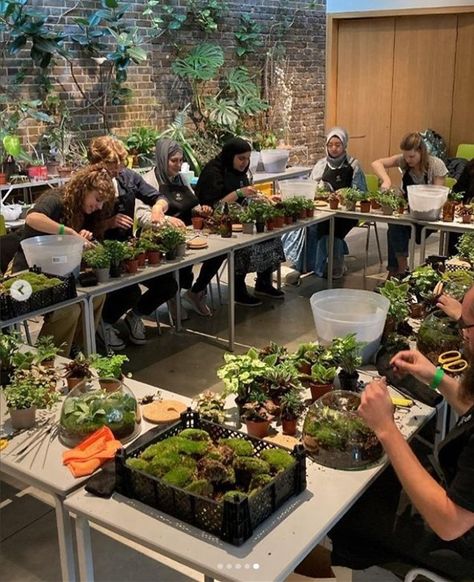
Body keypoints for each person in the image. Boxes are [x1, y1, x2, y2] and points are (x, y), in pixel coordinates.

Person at [328, 285, 474, 580]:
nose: (463, 335)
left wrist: (385, 427)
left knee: (349, 505)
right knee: (406, 456)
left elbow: (449, 523)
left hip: (461, 546)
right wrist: (433, 375)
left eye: (466, 324)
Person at [10, 164, 116, 356]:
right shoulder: (57, 198)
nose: (99, 206)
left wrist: (85, 238)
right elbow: (32, 218)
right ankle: (47, 358)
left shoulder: (85, 211)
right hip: (28, 273)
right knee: (69, 310)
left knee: (97, 296)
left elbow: (80, 242)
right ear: (84, 189)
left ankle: (77, 349)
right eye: (98, 199)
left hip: (61, 272)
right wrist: (67, 232)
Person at [88, 136, 181, 350]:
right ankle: (105, 322)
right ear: (97, 163)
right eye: (112, 164)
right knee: (129, 292)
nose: (118, 168)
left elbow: (159, 197)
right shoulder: (87, 184)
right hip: (98, 251)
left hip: (128, 248)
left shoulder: (128, 177)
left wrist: (158, 208)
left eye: (120, 163)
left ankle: (135, 315)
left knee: (168, 284)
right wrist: (108, 222)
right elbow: (81, 228)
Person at [195, 137, 285, 306]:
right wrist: (239, 193)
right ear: (230, 156)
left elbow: (246, 194)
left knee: (271, 237)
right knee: (245, 245)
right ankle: (238, 289)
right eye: (241, 158)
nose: (245, 162)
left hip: (239, 219)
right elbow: (216, 206)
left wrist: (263, 197)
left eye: (247, 158)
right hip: (216, 224)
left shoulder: (240, 171)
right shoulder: (213, 172)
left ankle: (263, 283)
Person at [141, 138, 216, 317]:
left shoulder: (181, 178)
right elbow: (142, 215)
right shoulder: (148, 181)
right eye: (173, 161)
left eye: (181, 161)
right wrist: (165, 220)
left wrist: (201, 210)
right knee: (179, 263)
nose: (178, 165)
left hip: (188, 233)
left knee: (218, 254)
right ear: (161, 159)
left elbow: (191, 203)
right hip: (162, 239)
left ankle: (196, 291)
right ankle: (173, 296)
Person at [282, 127, 367, 283]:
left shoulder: (353, 165)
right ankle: (310, 264)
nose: (334, 148)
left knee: (330, 229)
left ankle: (332, 265)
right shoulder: (321, 164)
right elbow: (311, 187)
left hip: (346, 214)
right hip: (323, 209)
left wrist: (346, 194)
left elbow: (362, 192)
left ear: (344, 146)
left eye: (337, 145)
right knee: (309, 225)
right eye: (330, 145)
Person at [372, 132, 448, 277]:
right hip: (409, 213)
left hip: (430, 214)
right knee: (394, 225)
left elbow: (437, 196)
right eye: (405, 156)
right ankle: (400, 270)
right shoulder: (403, 161)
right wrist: (386, 180)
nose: (408, 160)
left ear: (421, 151)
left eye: (411, 156)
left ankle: (397, 272)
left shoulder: (436, 165)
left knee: (396, 229)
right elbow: (377, 163)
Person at [448, 159, 474, 256]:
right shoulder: (470, 167)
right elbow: (458, 190)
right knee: (455, 232)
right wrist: (458, 202)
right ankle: (453, 261)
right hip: (466, 213)